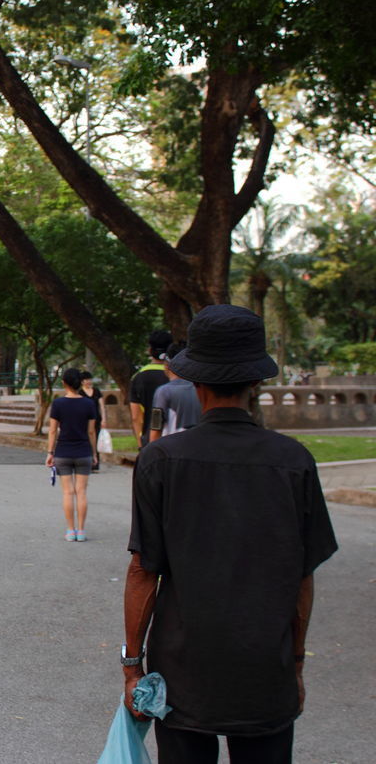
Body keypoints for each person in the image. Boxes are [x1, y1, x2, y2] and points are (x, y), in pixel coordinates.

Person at [121, 305, 338, 764]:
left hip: (182, 671)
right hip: (265, 670)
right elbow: (303, 577)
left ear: (194, 383)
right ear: (255, 382)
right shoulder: (293, 461)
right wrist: (295, 663)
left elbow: (143, 570)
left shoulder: (160, 461)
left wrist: (132, 666)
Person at [46, 368, 99, 542]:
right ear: (80, 383)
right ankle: (81, 531)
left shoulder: (58, 404)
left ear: (64, 383)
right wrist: (94, 453)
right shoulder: (89, 404)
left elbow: (53, 431)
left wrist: (50, 452)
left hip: (63, 452)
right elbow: (91, 432)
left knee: (68, 493)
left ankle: (70, 530)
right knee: (81, 492)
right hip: (83, 451)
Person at [148, 342, 203, 443]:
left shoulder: (164, 392)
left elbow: (156, 428)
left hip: (173, 450)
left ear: (167, 364)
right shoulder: (201, 388)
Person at [129, 329, 172, 449]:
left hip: (150, 441)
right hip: (176, 440)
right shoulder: (179, 376)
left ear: (149, 350)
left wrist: (140, 444)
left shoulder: (138, 377)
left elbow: (135, 416)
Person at [79, 371, 107, 468]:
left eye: (90, 379)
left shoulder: (96, 391)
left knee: (96, 439)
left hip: (96, 419)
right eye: (86, 380)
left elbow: (101, 406)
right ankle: (86, 461)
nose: (89, 381)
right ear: (82, 381)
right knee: (86, 439)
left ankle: (95, 462)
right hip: (84, 420)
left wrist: (104, 419)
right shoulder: (80, 392)